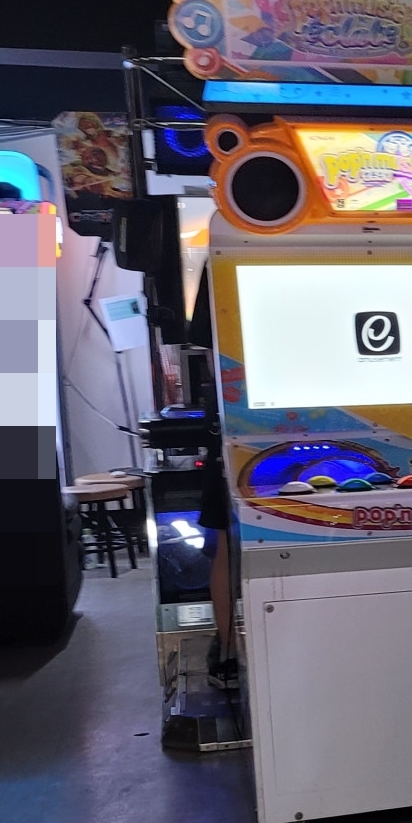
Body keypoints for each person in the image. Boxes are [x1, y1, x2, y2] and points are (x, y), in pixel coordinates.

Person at [187, 262, 237, 685]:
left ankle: (228, 652)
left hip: (238, 416)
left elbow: (207, 352)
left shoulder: (225, 252)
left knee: (225, 542)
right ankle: (229, 649)